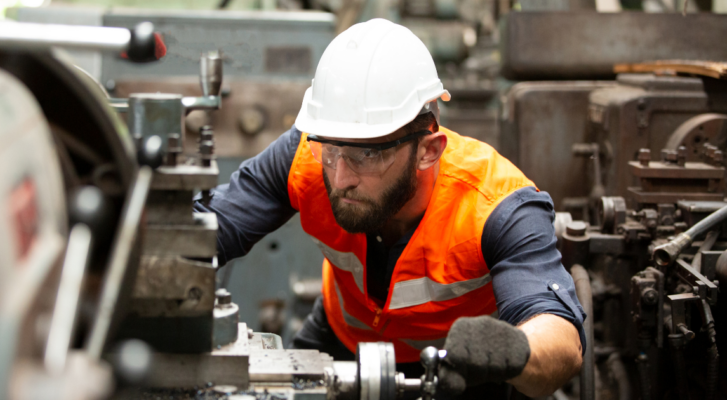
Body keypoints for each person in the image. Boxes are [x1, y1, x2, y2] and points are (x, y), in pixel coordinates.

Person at [195, 18, 585, 399]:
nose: (341, 176)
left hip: (460, 367)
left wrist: (511, 354)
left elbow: (560, 344)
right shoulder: (306, 159)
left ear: (428, 151)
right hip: (342, 338)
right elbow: (207, 231)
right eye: (331, 151)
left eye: (366, 154)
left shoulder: (496, 206)